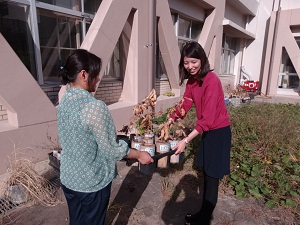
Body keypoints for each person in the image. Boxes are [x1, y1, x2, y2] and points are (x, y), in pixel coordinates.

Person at [57, 49, 154, 225]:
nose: (99, 79)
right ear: (84, 75)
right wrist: (140, 154)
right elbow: (112, 151)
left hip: (69, 179)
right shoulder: (94, 107)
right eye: (96, 74)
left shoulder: (64, 99)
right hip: (90, 183)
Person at [168, 42, 231, 225]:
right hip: (207, 132)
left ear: (201, 59)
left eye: (193, 62)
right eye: (186, 63)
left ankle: (204, 220)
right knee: (205, 174)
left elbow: (208, 119)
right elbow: (185, 104)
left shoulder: (211, 80)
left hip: (219, 133)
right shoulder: (192, 81)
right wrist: (171, 119)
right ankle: (202, 214)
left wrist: (185, 141)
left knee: (212, 179)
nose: (190, 67)